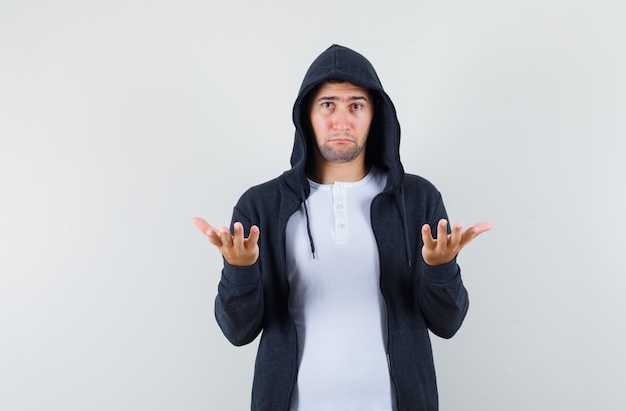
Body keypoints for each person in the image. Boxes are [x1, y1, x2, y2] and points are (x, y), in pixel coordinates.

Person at [192, 44, 491, 411]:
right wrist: (240, 271)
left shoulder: (416, 199)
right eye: (328, 104)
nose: (342, 120)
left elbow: (448, 323)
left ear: (374, 115)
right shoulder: (263, 205)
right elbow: (237, 331)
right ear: (308, 115)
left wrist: (440, 267)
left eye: (356, 105)